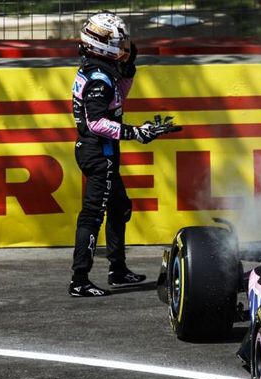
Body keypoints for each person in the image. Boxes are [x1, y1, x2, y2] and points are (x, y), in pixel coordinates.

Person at [70, 12, 177, 297]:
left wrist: (129, 69)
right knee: (92, 217)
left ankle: (117, 270)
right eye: (119, 42)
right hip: (98, 153)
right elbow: (96, 122)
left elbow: (118, 98)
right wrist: (135, 132)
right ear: (101, 44)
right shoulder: (98, 79)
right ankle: (79, 280)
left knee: (120, 207)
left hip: (100, 151)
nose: (124, 46)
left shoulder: (100, 70)